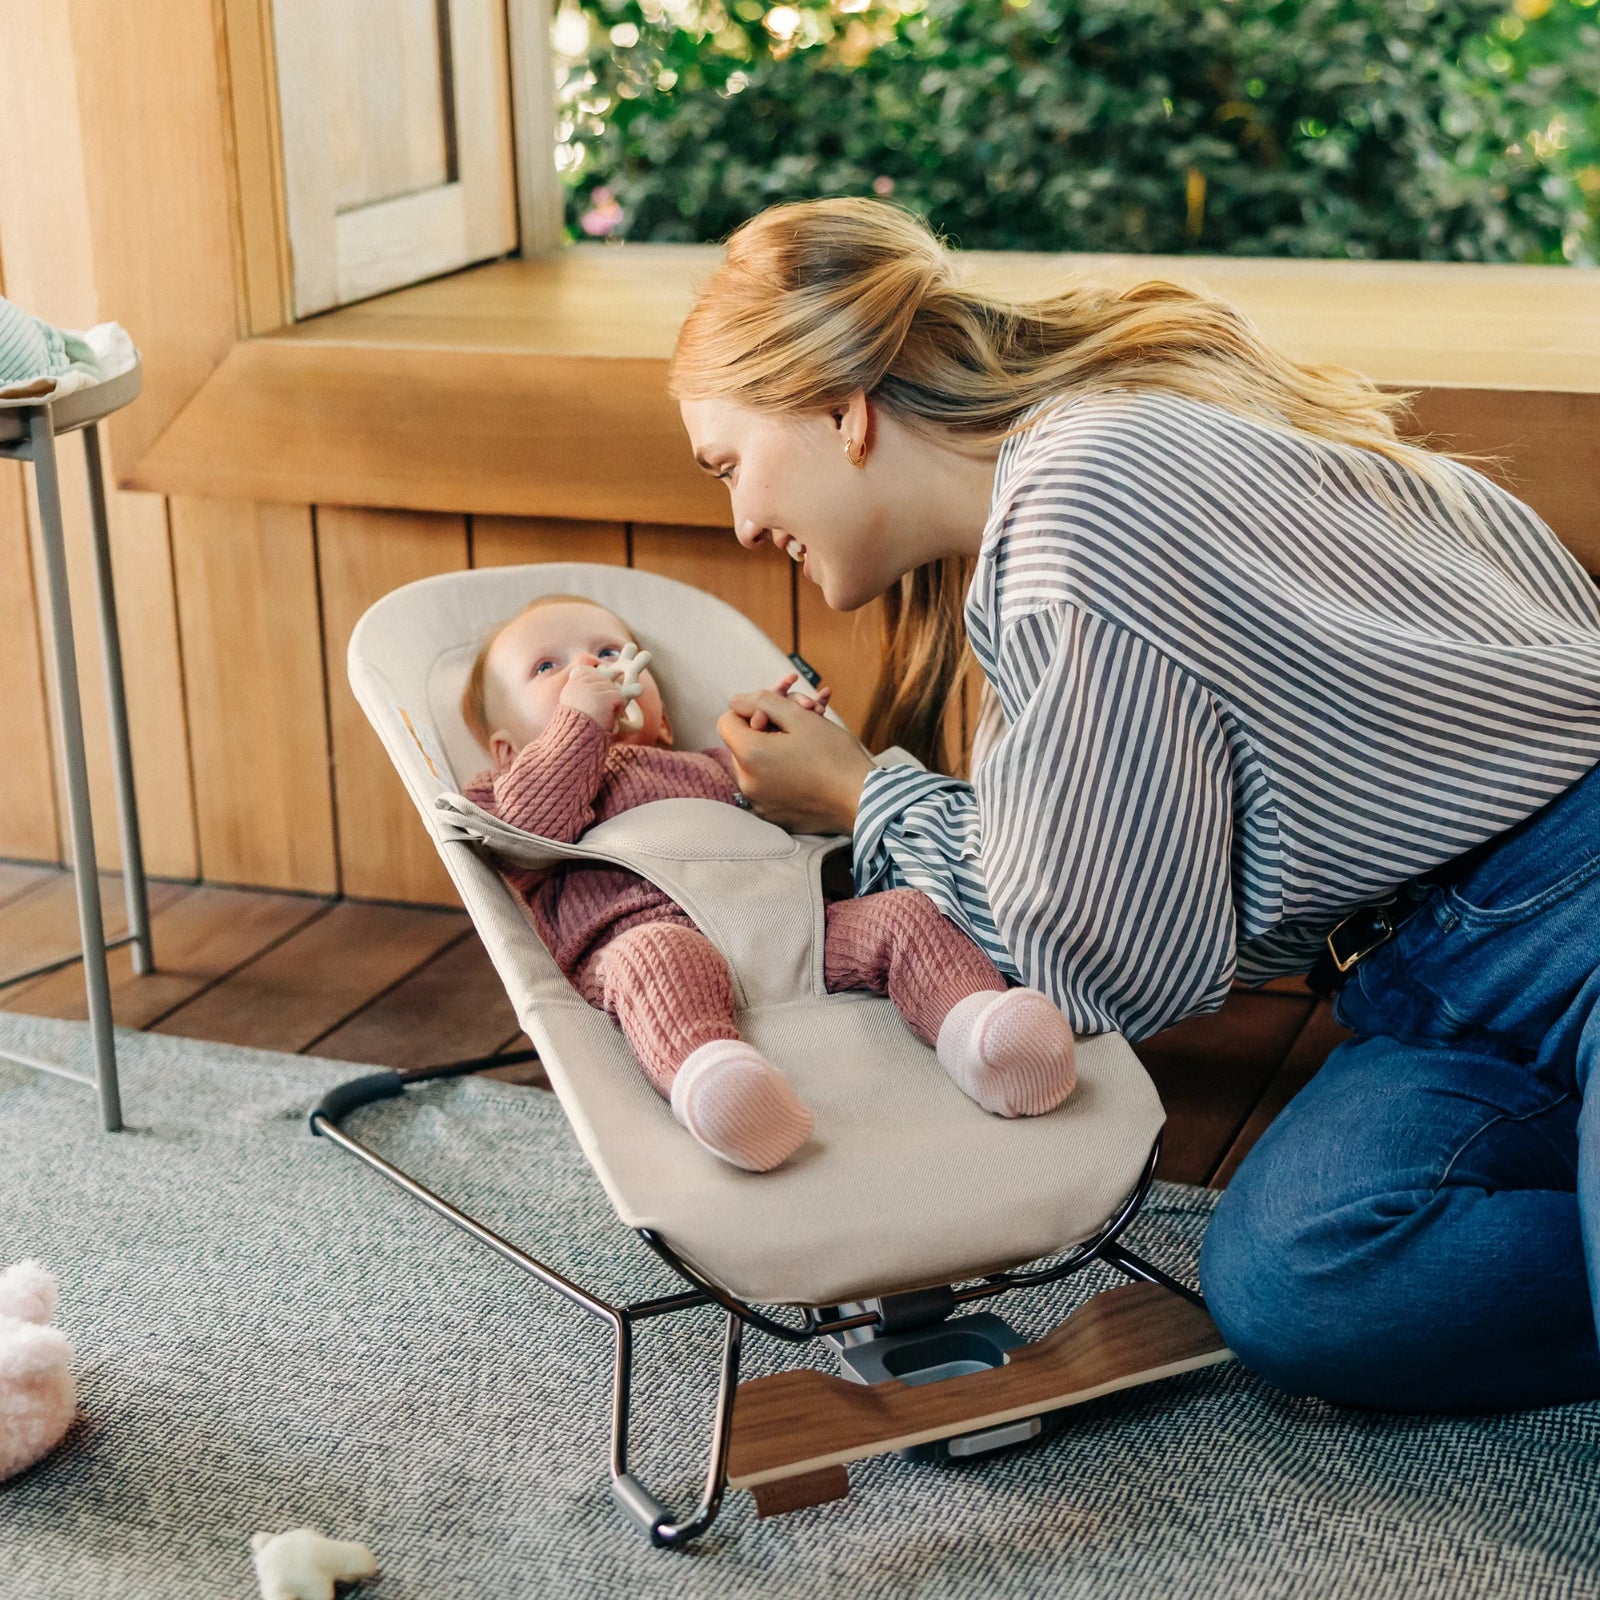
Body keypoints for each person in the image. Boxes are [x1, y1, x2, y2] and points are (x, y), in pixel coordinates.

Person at [673, 195, 1600, 1411]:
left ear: (842, 412)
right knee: (1299, 1282)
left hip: (1570, 903)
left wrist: (865, 793)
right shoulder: (1089, 475)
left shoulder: (1081, 503)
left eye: (729, 464)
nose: (741, 521)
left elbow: (1089, 965)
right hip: (1423, 978)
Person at [459, 592, 1079, 1173]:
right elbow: (528, 825)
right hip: (649, 932)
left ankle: (981, 1033)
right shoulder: (509, 791)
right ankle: (718, 1083)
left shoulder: (704, 764)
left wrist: (785, 740)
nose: (588, 667)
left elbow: (794, 804)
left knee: (905, 914)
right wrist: (577, 726)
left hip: (789, 924)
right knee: (655, 965)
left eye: (609, 652)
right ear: (507, 750)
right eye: (548, 667)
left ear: (665, 721)